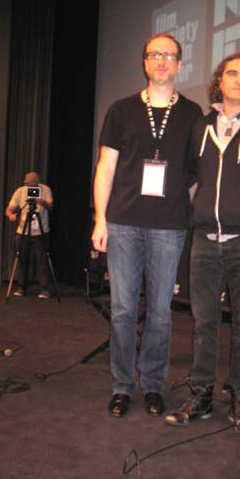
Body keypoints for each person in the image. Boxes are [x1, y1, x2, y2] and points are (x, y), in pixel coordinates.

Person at [165, 53, 240, 435]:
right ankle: (201, 396)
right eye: (232, 74)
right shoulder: (201, 127)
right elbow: (185, 175)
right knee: (203, 325)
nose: (239, 80)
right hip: (204, 241)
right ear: (219, 81)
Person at [91, 33, 202, 418]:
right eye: (155, 54)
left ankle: (153, 385)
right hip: (122, 223)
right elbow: (105, 168)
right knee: (122, 310)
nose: (161, 61)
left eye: (169, 55)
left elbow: (195, 172)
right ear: (144, 62)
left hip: (169, 227)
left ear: (179, 64)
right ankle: (122, 385)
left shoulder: (192, 113)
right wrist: (100, 218)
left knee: (159, 312)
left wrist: (173, 197)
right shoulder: (121, 110)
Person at [5, 171, 54, 299]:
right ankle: (21, 287)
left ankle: (45, 289)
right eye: (29, 186)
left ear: (38, 183)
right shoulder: (20, 191)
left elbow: (51, 206)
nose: (31, 188)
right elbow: (9, 208)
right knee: (21, 258)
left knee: (42, 260)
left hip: (41, 231)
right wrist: (11, 215)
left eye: (34, 186)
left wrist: (41, 201)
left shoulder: (45, 190)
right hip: (23, 231)